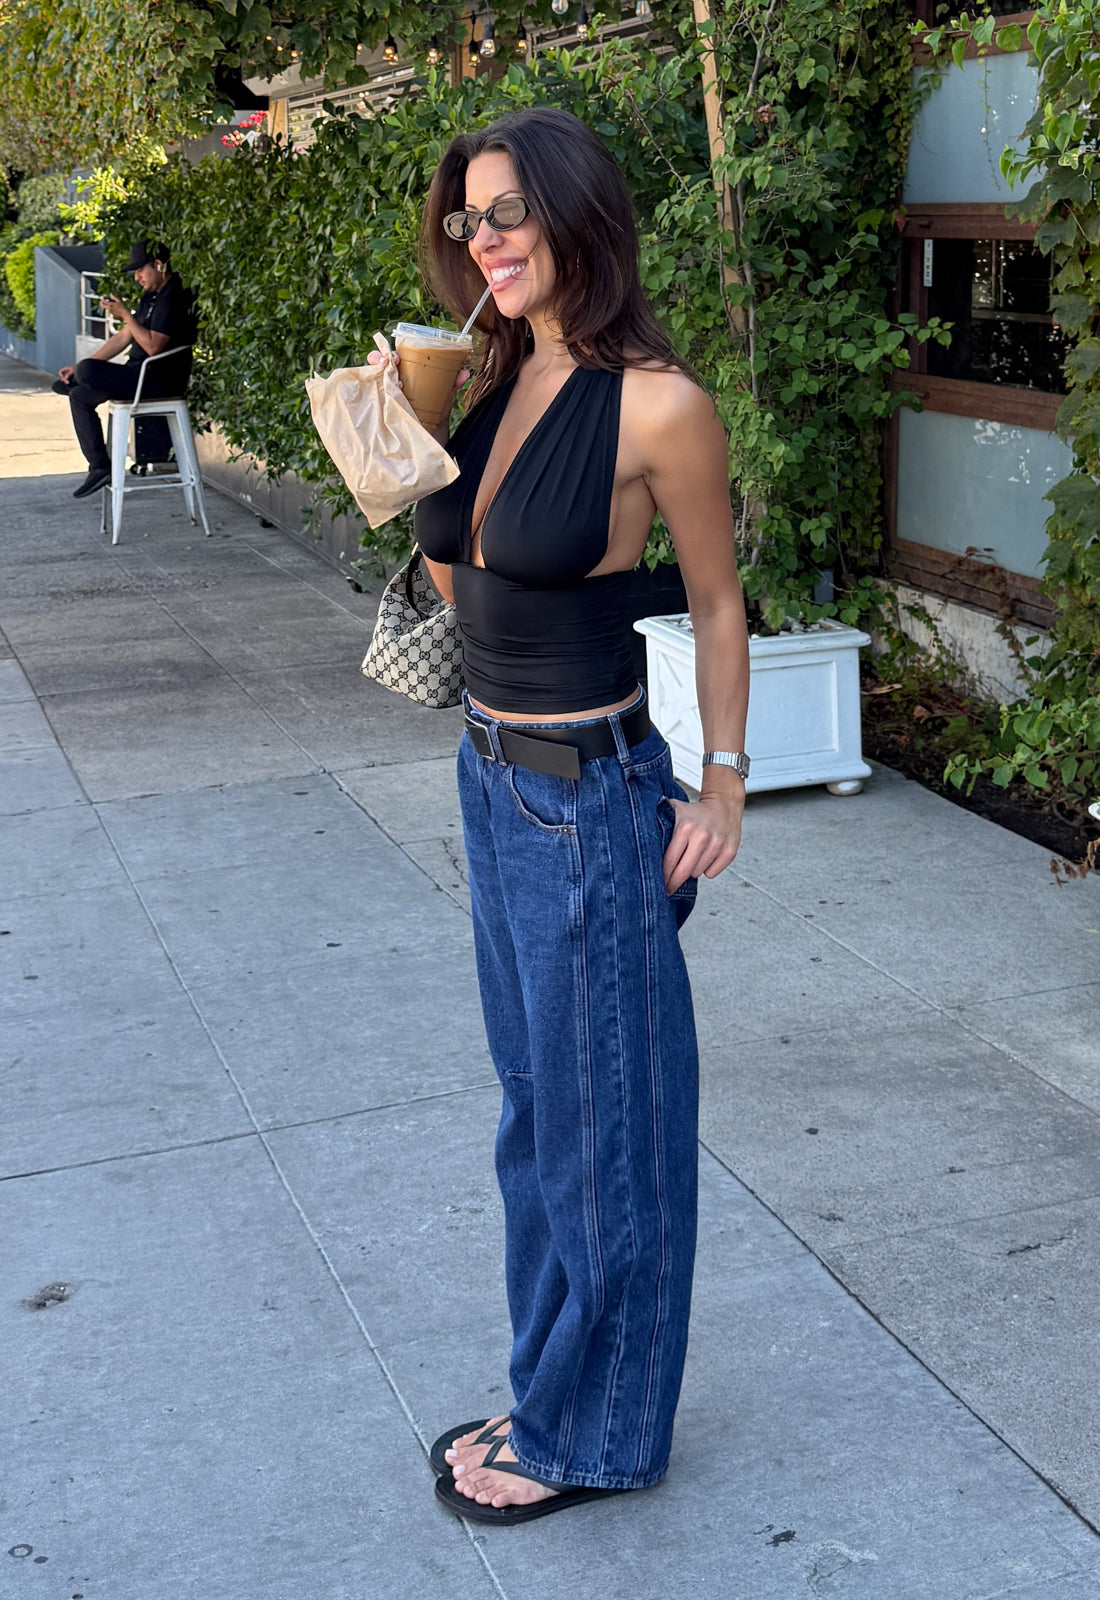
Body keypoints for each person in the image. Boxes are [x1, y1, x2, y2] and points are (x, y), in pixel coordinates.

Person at [389, 105, 751, 1524]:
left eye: (507, 211)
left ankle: (590, 1435)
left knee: (606, 1131)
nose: (483, 239)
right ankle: (552, 1388)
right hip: (491, 782)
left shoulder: (656, 404)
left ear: (573, 211)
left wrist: (721, 783)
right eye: (467, 218)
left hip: (587, 799)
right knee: (539, 1115)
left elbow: (715, 603)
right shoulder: (494, 374)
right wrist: (401, 451)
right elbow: (466, 578)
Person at [55, 241, 197, 499]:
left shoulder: (173, 296)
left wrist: (126, 315)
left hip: (159, 381)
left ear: (158, 265)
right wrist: (79, 368)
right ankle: (100, 467)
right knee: (79, 395)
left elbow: (153, 346)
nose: (137, 277)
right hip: (138, 374)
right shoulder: (151, 296)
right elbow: (123, 337)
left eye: (140, 270)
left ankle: (81, 378)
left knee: (87, 373)